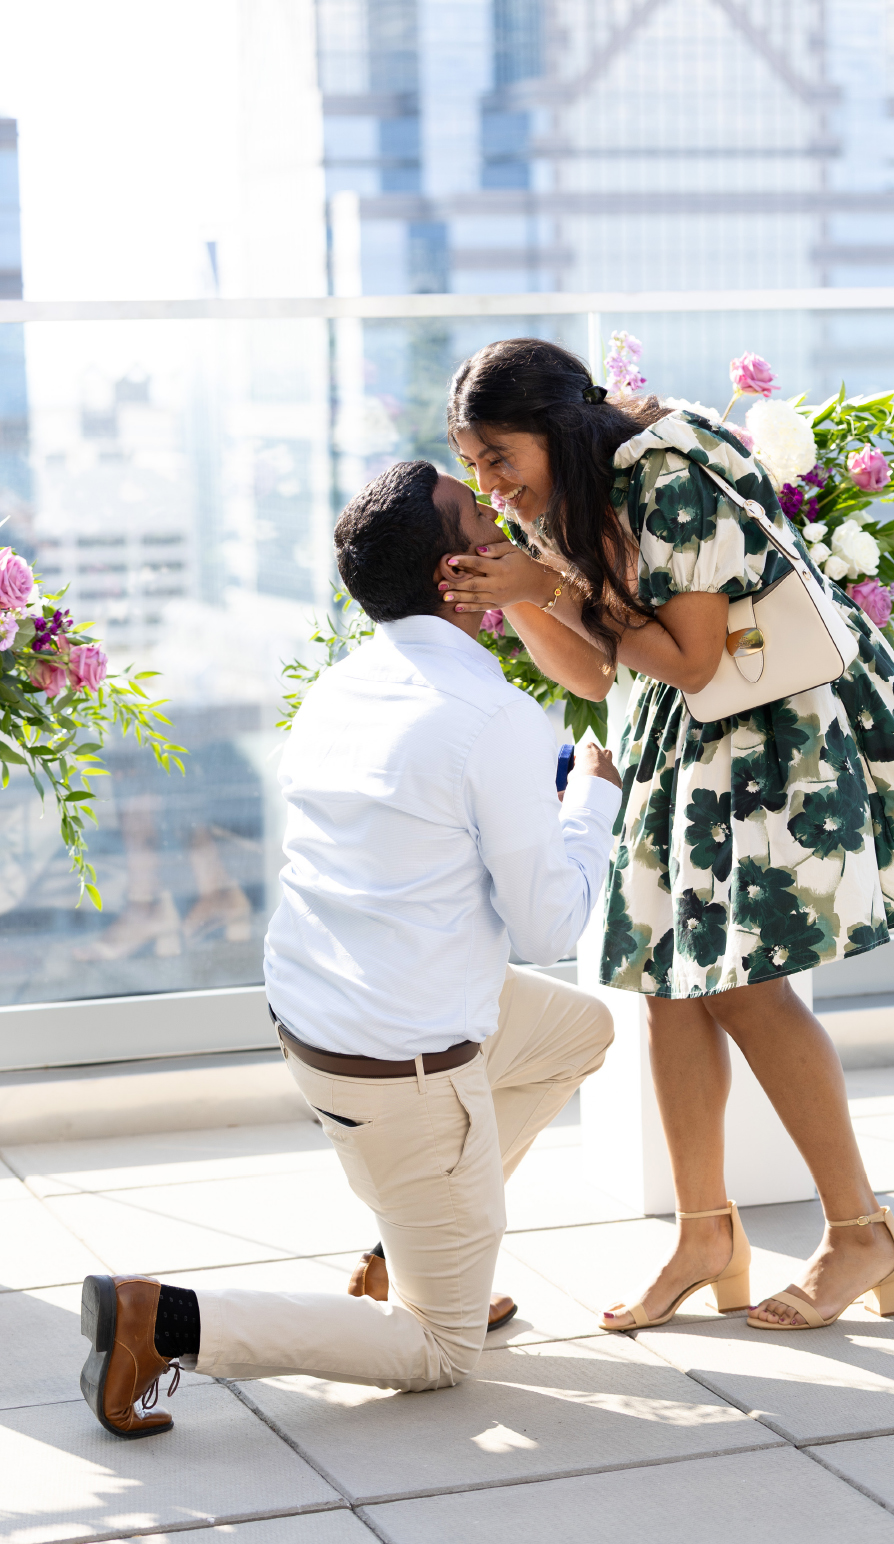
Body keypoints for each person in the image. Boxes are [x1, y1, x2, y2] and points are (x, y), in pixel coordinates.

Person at [441, 337, 894, 1333]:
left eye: (498, 457)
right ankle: (705, 1234)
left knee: (744, 984)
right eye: (475, 466)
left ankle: (859, 1231)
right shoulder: (583, 495)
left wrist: (547, 586)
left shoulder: (662, 472)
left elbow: (693, 660)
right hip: (680, 746)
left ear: (554, 427)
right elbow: (600, 675)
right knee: (666, 984)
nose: (492, 481)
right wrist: (517, 594)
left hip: (760, 740)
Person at [79, 459, 619, 1437]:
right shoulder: (491, 715)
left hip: (317, 1016)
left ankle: (408, 1238)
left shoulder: (343, 684)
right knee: (439, 1350)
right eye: (480, 519)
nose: (503, 525)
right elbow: (548, 926)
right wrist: (593, 798)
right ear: (455, 574)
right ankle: (161, 1320)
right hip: (404, 1063)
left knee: (576, 1031)